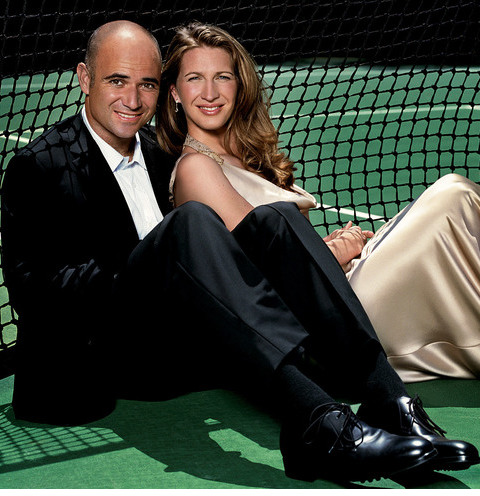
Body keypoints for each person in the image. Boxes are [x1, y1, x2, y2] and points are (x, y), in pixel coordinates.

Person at [0, 20, 474, 485]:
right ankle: (320, 424)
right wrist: (148, 268)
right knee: (189, 222)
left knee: (275, 218)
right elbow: (33, 293)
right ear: (85, 78)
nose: (133, 99)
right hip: (104, 351)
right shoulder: (39, 165)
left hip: (182, 347)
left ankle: (388, 400)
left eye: (146, 84)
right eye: (117, 81)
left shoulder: (156, 149)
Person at [156, 21, 480, 480]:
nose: (210, 92)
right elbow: (256, 277)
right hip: (324, 326)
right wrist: (338, 251)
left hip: (338, 296)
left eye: (222, 77)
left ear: (239, 85)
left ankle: (393, 406)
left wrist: (335, 248)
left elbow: (287, 249)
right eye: (194, 78)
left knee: (447, 213)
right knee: (453, 198)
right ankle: (390, 404)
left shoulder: (247, 158)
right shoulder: (196, 168)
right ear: (174, 92)